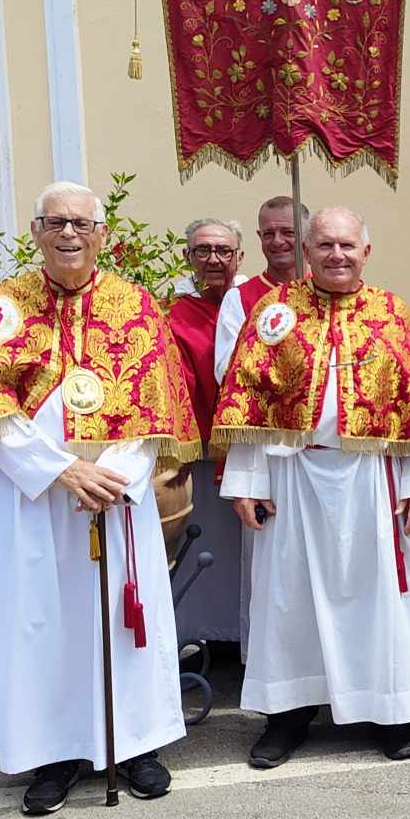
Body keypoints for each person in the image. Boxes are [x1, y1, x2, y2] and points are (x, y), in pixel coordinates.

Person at [0, 181, 201, 814]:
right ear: (35, 231)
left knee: (121, 615)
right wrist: (61, 471)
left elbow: (157, 407)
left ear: (102, 235)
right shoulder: (5, 306)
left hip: (115, 496)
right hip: (35, 500)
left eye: (81, 224)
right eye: (56, 222)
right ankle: (52, 753)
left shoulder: (136, 305)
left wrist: (109, 477)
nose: (69, 234)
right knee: (44, 620)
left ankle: (134, 743)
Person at [214, 207, 410, 768]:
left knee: (379, 600)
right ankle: (288, 714)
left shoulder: (392, 314)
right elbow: (249, 400)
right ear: (306, 251)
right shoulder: (275, 312)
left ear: (366, 252)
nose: (337, 255)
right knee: (289, 599)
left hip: (372, 480)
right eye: (324, 245)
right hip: (293, 475)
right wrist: (246, 482)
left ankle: (390, 710)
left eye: (347, 245)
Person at [167, 218, 250, 647]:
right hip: (199, 450)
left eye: (223, 250)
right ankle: (204, 638)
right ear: (188, 258)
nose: (213, 259)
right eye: (203, 251)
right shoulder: (175, 313)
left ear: (239, 256)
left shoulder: (258, 305)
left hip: (250, 450)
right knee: (204, 543)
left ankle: (247, 636)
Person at [215, 196, 307, 383]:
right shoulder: (239, 298)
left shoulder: (329, 291)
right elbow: (225, 370)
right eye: (269, 234)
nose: (277, 241)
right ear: (260, 236)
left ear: (308, 235)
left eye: (288, 232)